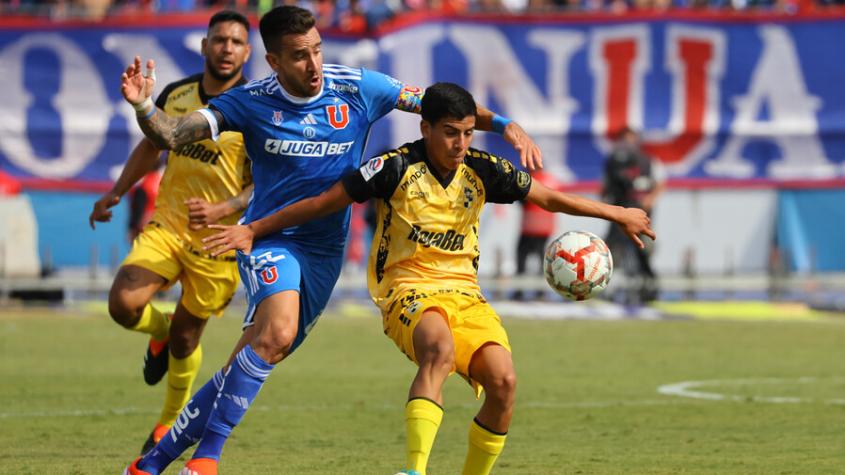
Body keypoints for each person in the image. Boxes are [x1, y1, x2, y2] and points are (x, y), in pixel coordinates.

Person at [119, 6, 542, 475]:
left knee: (247, 362)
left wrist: (505, 124)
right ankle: (206, 461)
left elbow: (444, 110)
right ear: (274, 61)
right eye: (299, 56)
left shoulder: (360, 88)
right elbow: (172, 134)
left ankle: (149, 464)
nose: (314, 64)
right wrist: (142, 106)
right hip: (269, 237)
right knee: (276, 333)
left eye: (317, 49)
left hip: (324, 254)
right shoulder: (249, 101)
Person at [203, 83, 654, 475]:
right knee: (436, 350)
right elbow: (324, 202)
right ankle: (414, 469)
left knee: (504, 384)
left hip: (466, 296)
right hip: (407, 291)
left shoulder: (482, 170)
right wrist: (253, 228)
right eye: (450, 132)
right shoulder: (393, 168)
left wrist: (618, 213)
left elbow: (550, 198)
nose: (460, 143)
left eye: (467, 133)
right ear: (425, 128)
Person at [89, 10, 253, 456]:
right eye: (219, 40)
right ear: (204, 46)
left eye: (236, 42)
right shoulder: (178, 94)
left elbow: (266, 183)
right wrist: (116, 192)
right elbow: (152, 145)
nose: (226, 48)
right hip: (168, 224)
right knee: (122, 304)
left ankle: (168, 423)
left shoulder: (256, 105)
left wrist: (226, 207)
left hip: (218, 241)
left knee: (187, 338)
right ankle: (157, 330)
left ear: (248, 52)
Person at [601, 127, 665, 303]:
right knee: (609, 250)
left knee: (641, 252)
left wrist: (649, 200)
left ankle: (648, 288)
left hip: (639, 215)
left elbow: (660, 182)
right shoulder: (613, 161)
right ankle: (603, 287)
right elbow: (606, 186)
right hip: (619, 213)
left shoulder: (648, 161)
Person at [513, 168, 561, 301]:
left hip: (530, 225)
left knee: (522, 257)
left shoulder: (529, 179)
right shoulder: (551, 179)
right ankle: (541, 292)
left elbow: (521, 197)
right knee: (542, 259)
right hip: (546, 226)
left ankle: (519, 291)